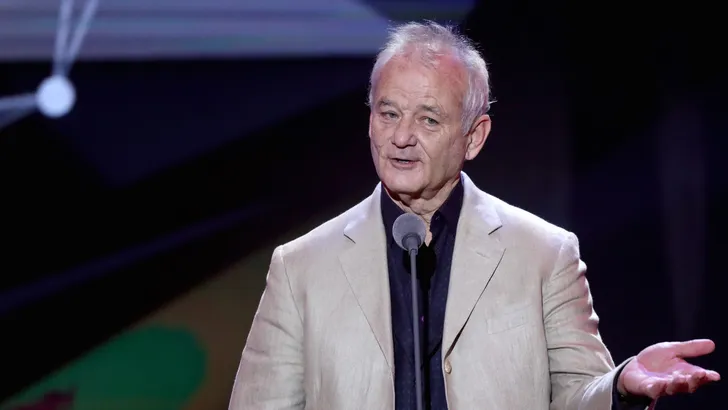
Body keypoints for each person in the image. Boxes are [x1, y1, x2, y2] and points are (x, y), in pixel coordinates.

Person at [228, 21, 720, 409]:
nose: (401, 137)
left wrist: (619, 386)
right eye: (388, 113)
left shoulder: (544, 254)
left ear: (474, 137)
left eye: (428, 119)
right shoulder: (300, 267)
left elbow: (576, 393)